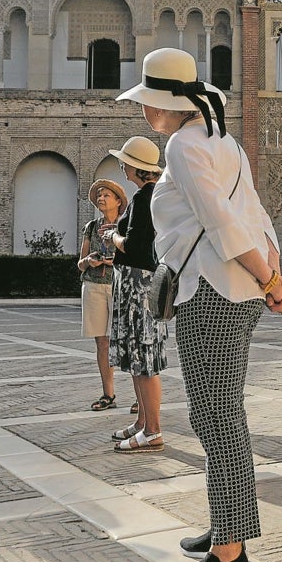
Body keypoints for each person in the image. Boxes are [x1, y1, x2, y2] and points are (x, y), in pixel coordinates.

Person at [118, 47, 282, 562]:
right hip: (237, 288)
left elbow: (221, 219)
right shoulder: (225, 140)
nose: (145, 112)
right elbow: (256, 214)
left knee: (216, 419)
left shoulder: (181, 144)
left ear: (161, 104)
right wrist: (272, 276)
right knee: (222, 415)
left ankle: (230, 556)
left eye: (148, 102)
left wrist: (270, 281)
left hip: (212, 291)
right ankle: (229, 530)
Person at [104, 137, 166, 451]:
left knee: (144, 359)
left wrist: (113, 235)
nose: (123, 167)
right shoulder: (152, 195)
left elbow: (133, 246)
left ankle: (152, 430)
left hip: (138, 285)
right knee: (139, 358)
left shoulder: (145, 198)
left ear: (135, 167)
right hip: (139, 284)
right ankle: (143, 423)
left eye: (125, 162)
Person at [77, 178, 127, 412]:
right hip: (94, 285)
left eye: (106, 194)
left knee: (127, 339)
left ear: (118, 201)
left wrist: (114, 259)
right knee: (102, 341)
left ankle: (141, 394)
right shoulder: (91, 226)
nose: (101, 198)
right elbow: (80, 263)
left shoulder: (126, 226)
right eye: (99, 195)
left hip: (120, 286)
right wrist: (89, 261)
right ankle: (108, 393)